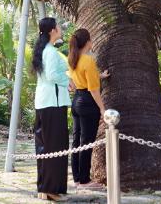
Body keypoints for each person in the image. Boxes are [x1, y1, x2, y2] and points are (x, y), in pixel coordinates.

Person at [32, 17, 71, 202]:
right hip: (52, 106)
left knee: (45, 148)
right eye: (58, 26)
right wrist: (68, 82)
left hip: (45, 103)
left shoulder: (46, 50)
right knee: (54, 148)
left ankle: (46, 188)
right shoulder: (50, 52)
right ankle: (50, 189)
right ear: (52, 31)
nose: (60, 28)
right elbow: (53, 75)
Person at [67, 28, 110, 188]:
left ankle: (77, 178)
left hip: (77, 100)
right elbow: (93, 89)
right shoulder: (89, 60)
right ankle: (85, 180)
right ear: (87, 42)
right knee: (87, 141)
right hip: (87, 102)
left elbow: (81, 77)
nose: (92, 42)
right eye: (91, 39)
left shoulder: (73, 58)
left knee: (77, 140)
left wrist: (100, 76)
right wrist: (102, 108)